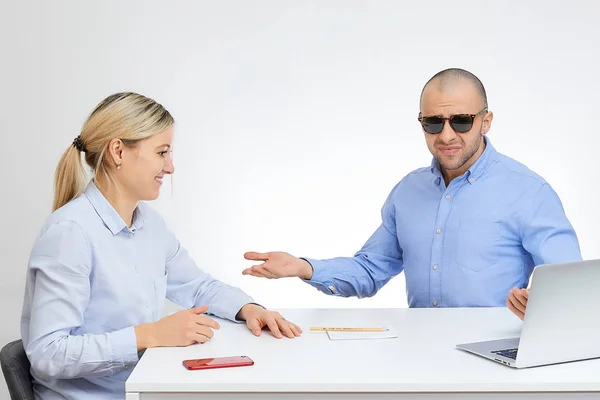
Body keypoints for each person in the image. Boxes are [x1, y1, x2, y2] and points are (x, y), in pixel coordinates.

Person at [21, 92, 301, 400]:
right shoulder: (70, 234)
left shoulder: (150, 225)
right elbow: (49, 353)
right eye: (162, 152)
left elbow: (198, 287)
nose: (170, 167)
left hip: (142, 389)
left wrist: (247, 309)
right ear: (118, 151)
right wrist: (149, 335)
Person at [242, 68, 582, 320]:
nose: (446, 135)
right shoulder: (408, 191)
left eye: (461, 121)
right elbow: (372, 270)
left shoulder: (529, 192)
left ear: (486, 121)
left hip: (495, 354)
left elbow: (572, 288)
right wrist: (303, 267)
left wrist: (540, 308)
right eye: (433, 122)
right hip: (418, 356)